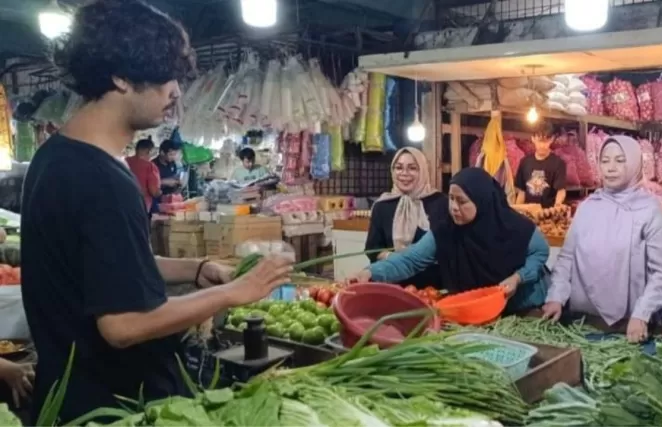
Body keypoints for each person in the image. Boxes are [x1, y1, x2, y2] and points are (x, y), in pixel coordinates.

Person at [20, 1, 293, 423]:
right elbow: (125, 324)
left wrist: (195, 268)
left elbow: (105, 269)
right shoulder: (101, 179)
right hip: (114, 408)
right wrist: (232, 293)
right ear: (120, 77)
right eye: (165, 75)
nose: (176, 91)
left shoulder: (56, 157)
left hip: (71, 399)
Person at [350, 167, 549, 314]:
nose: (454, 207)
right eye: (451, 199)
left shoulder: (514, 226)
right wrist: (372, 272)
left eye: (462, 201)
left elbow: (541, 251)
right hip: (480, 311)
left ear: (482, 201)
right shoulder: (447, 230)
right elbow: (410, 259)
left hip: (524, 306)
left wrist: (518, 278)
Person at [542, 136, 662, 343]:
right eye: (605, 161)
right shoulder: (588, 207)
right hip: (581, 322)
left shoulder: (649, 210)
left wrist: (643, 313)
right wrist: (556, 297)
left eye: (620, 161)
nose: (611, 168)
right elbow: (567, 258)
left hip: (631, 325)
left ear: (634, 163)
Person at [365, 147, 448, 288]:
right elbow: (373, 249)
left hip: (432, 288)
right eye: (399, 168)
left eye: (412, 168)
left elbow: (446, 248)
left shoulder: (441, 203)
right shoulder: (382, 206)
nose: (404, 173)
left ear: (422, 171)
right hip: (392, 285)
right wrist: (392, 259)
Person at [515, 132, 567, 208]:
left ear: (551, 139)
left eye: (546, 141)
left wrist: (557, 206)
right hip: (528, 213)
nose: (542, 145)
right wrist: (517, 211)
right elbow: (522, 192)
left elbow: (561, 191)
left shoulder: (558, 163)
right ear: (533, 139)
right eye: (539, 141)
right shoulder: (525, 162)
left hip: (547, 214)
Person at [125, 137, 161, 213]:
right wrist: (160, 192)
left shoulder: (124, 162)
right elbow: (154, 192)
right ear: (149, 151)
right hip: (142, 206)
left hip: (124, 203)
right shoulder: (150, 166)